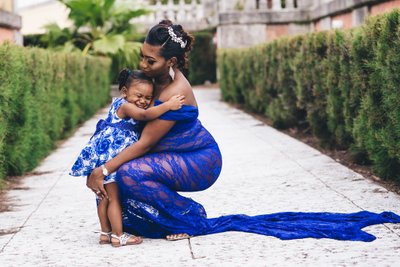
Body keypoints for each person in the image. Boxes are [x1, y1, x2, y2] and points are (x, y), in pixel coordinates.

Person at [86, 20, 400, 243]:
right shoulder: (154, 79)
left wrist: (102, 168)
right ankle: (158, 219)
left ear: (170, 61)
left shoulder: (172, 93)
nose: (142, 62)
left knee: (127, 175)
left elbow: (143, 144)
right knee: (118, 182)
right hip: (174, 156)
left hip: (199, 160)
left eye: (149, 59)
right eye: (142, 55)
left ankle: (190, 216)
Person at [70, 69, 185, 246]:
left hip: (103, 157)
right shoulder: (125, 105)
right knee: (114, 199)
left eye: (148, 98)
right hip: (112, 160)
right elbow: (145, 115)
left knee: (103, 198)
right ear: (124, 92)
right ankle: (118, 235)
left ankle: (105, 233)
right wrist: (168, 105)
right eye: (138, 95)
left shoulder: (120, 104)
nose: (143, 101)